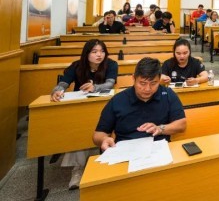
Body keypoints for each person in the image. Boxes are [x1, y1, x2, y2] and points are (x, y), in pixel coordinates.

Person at [50, 39, 118, 189]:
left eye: (102, 51)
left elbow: (110, 83)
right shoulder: (77, 66)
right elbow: (63, 83)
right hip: (80, 107)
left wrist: (95, 88)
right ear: (86, 54)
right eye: (94, 52)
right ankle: (77, 169)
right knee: (79, 128)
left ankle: (103, 164)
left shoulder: (111, 64)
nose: (99, 55)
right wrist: (57, 91)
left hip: (104, 105)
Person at [93, 57, 187, 150]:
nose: (147, 89)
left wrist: (160, 129)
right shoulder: (117, 100)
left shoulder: (168, 94)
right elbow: (98, 135)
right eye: (142, 83)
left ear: (159, 80)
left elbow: (182, 124)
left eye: (153, 83)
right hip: (126, 151)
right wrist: (104, 139)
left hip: (158, 149)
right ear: (133, 78)